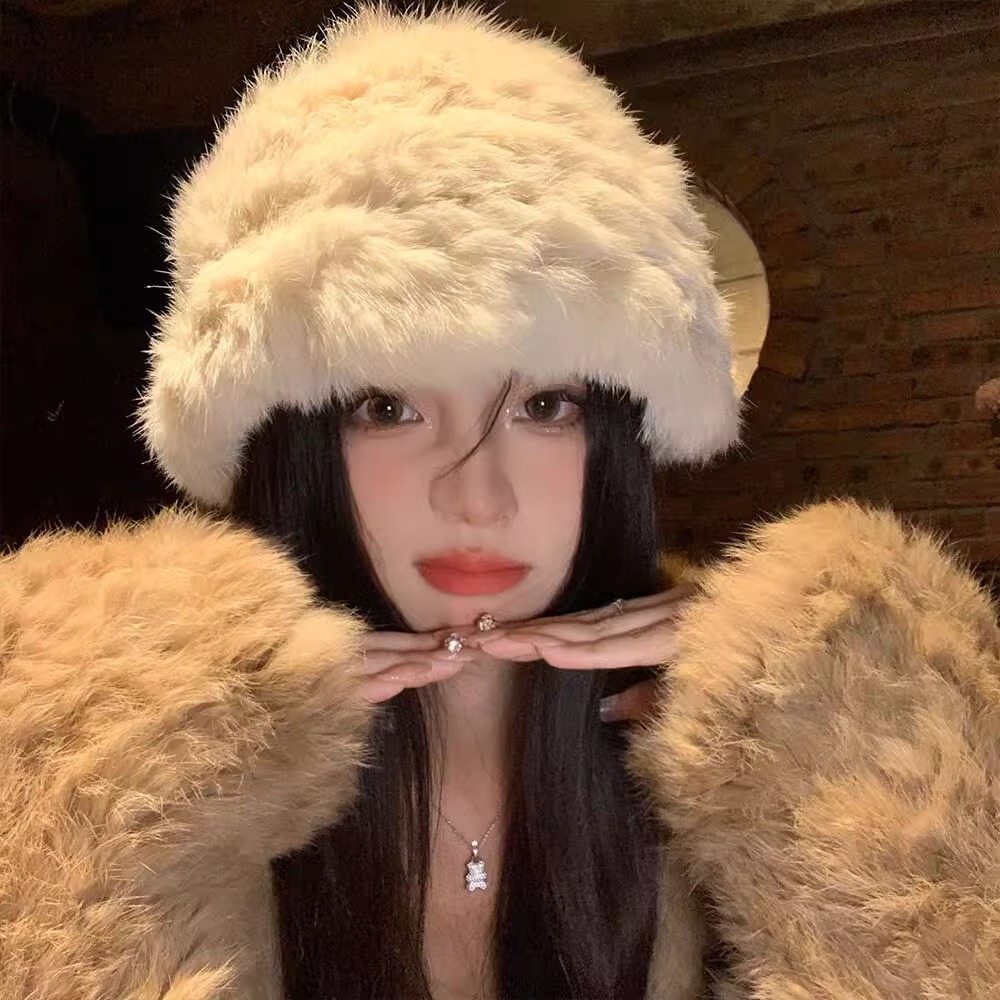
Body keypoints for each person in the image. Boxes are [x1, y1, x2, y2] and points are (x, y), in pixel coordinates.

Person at [1, 7, 997, 1000]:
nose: (476, 495)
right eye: (387, 407)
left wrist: (848, 733)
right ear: (294, 444)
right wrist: (96, 772)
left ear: (612, 439)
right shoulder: (155, 783)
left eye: (545, 406)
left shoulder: (757, 764)